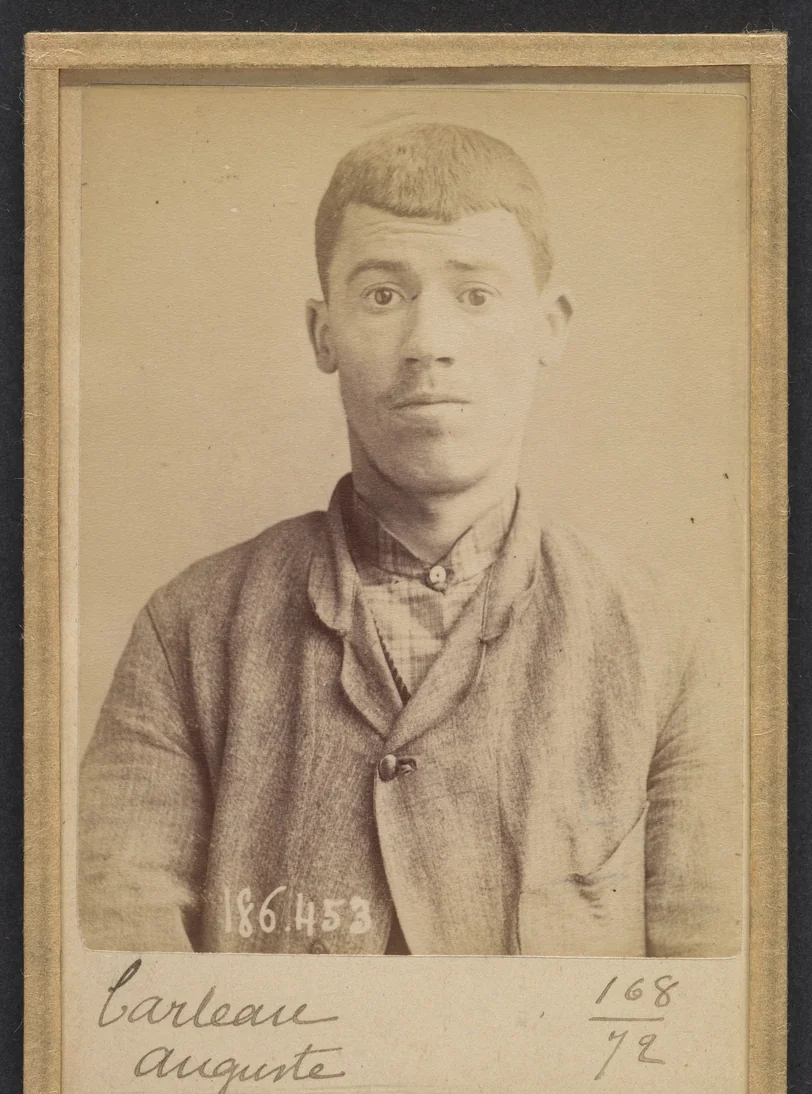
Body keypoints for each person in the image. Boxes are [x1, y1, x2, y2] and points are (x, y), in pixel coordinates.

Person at [79, 123, 742, 957]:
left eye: (476, 295)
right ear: (324, 332)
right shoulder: (187, 631)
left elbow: (719, 1014)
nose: (430, 345)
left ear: (550, 326)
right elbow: (116, 985)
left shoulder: (673, 640)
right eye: (384, 295)